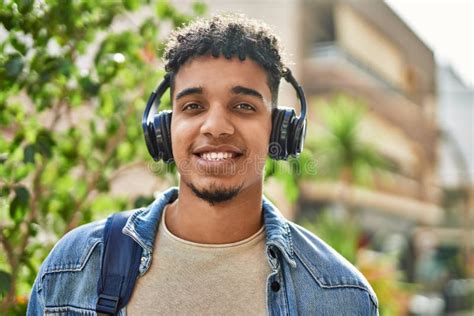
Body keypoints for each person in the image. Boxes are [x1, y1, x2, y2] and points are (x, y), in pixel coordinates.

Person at [27, 14, 378, 315]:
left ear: (281, 129)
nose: (215, 127)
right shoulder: (74, 269)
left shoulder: (341, 296)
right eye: (193, 106)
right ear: (163, 129)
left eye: (243, 106)